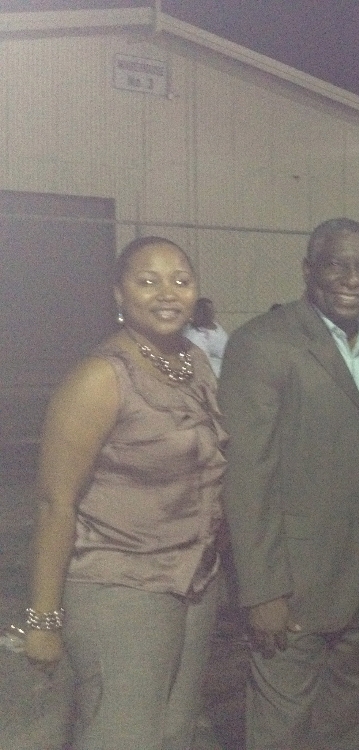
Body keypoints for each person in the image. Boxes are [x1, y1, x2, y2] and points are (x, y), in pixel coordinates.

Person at [22, 236, 226, 749]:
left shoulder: (194, 363)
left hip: (194, 583)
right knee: (122, 735)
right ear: (119, 293)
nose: (168, 293)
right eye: (148, 281)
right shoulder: (100, 376)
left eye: (181, 281)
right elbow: (55, 503)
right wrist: (43, 619)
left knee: (175, 734)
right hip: (120, 588)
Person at [218, 218, 359, 750]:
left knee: (346, 715)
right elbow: (246, 475)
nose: (353, 279)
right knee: (282, 723)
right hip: (293, 577)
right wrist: (262, 589)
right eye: (337, 265)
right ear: (308, 270)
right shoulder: (264, 343)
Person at [184, 296, 228, 376]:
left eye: (212, 310)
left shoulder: (216, 326)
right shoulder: (195, 334)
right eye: (209, 311)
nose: (213, 313)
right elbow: (202, 362)